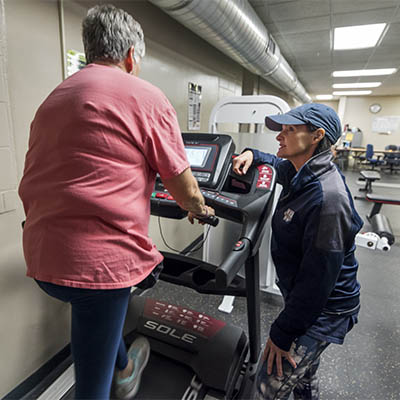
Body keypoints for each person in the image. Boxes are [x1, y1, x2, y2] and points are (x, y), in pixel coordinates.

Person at [18, 4, 214, 399]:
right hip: (99, 265)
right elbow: (184, 186)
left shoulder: (55, 98)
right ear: (130, 55)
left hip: (43, 257)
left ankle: (124, 366)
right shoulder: (145, 95)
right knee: (93, 382)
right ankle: (117, 379)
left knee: (95, 319)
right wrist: (199, 209)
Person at [232, 103, 362, 400]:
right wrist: (253, 154)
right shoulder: (299, 169)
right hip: (304, 297)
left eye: (290, 130)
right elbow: (275, 163)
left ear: (316, 136)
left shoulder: (329, 200)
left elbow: (316, 282)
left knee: (266, 385)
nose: (280, 135)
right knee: (304, 376)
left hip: (326, 308)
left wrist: (282, 333)